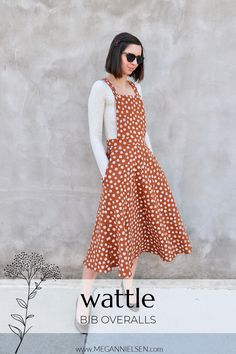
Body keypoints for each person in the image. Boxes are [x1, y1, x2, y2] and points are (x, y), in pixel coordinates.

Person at [75, 32, 192, 334]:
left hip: (143, 166)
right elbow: (94, 136)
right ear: (116, 53)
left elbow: (144, 133)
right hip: (119, 169)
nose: (135, 62)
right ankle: (83, 301)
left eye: (139, 58)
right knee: (104, 234)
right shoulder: (101, 89)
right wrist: (108, 174)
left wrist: (153, 166)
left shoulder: (136, 87)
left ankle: (128, 288)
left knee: (137, 228)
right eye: (130, 56)